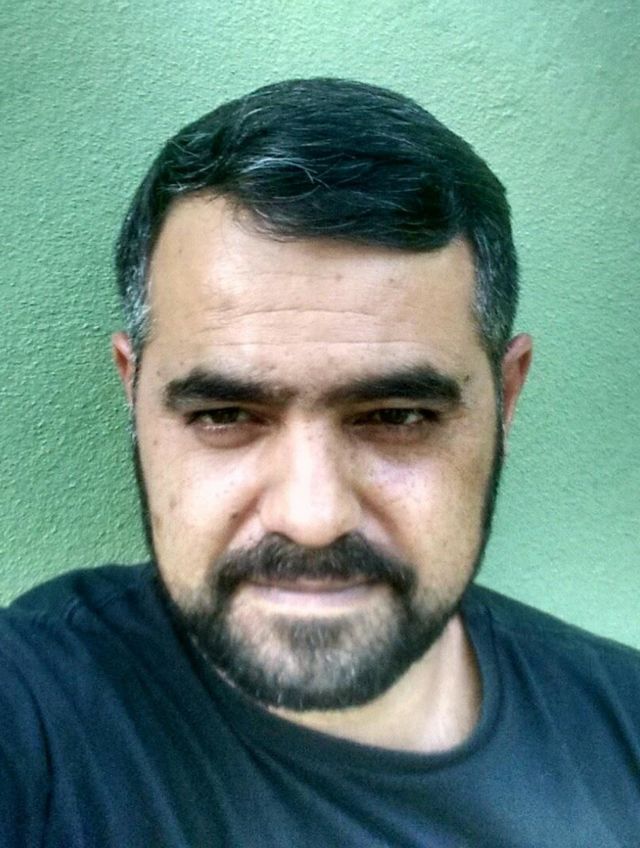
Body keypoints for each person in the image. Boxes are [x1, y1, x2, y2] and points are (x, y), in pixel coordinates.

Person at [1, 78, 638, 848]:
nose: (312, 519)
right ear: (133, 396)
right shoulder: (31, 711)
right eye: (225, 414)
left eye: (397, 417)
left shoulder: (624, 729)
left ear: (505, 398)